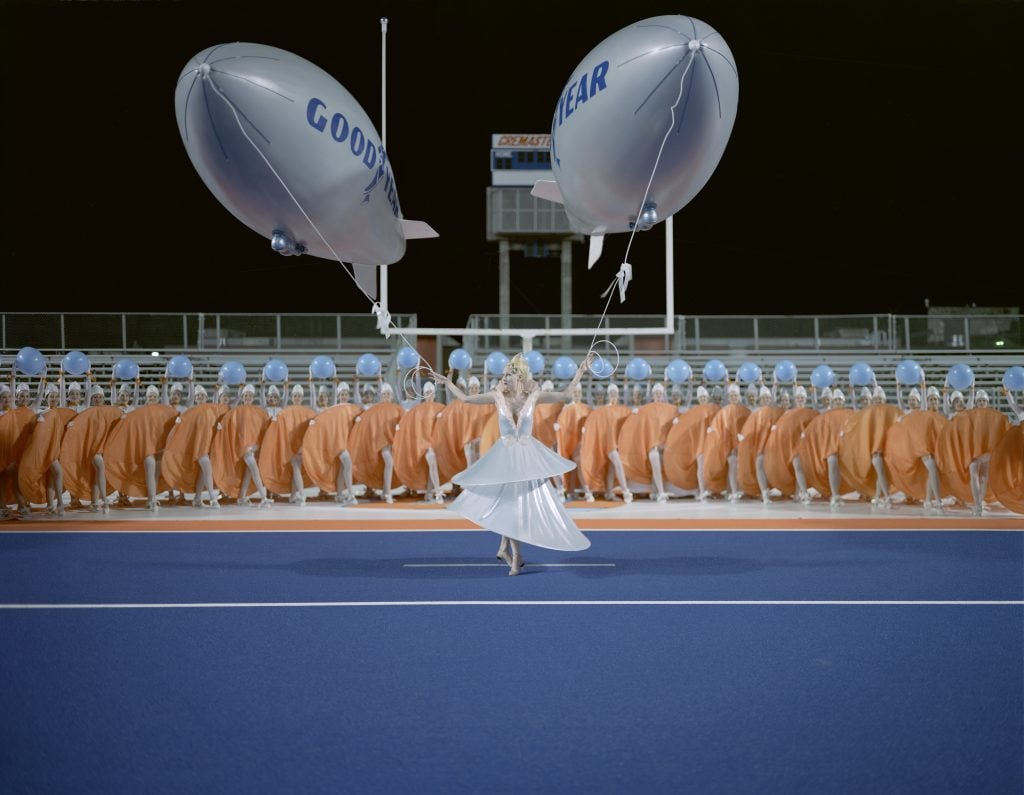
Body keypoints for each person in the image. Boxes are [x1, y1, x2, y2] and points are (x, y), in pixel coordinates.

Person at [434, 353, 592, 575]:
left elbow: (565, 394)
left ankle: (506, 549)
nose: (504, 378)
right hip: (505, 458)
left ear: (519, 377)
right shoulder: (497, 396)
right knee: (510, 505)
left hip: (527, 459)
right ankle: (515, 555)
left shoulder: (534, 395)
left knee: (514, 506)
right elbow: (466, 399)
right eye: (504, 374)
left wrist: (581, 371)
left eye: (508, 374)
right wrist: (449, 383)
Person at [934, 391, 1010, 515]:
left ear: (987, 402)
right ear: (976, 402)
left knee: (983, 476)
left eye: (983, 401)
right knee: (974, 473)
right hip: (974, 451)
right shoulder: (972, 415)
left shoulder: (993, 416)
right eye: (979, 401)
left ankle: (979, 502)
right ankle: (978, 503)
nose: (981, 403)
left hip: (986, 451)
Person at [838, 386, 902, 508]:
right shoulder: (868, 415)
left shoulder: (889, 413)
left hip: (885, 450)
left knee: (880, 473)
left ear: (884, 400)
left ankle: (878, 497)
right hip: (874, 450)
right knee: (880, 471)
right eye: (876, 399)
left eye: (880, 399)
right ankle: (886, 497)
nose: (878, 401)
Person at [301, 381, 363, 504]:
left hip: (346, 443)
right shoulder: (333, 410)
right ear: (338, 396)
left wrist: (359, 419)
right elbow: (324, 422)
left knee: (341, 468)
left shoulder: (351, 408)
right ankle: (350, 494)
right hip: (336, 443)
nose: (344, 396)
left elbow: (356, 420)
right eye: (342, 394)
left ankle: (339, 494)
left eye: (346, 394)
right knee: (348, 463)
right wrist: (314, 423)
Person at [211, 383, 273, 506]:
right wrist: (221, 427)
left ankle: (242, 497)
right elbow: (231, 426)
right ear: (242, 397)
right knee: (254, 469)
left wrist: (256, 446)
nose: (247, 398)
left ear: (253, 397)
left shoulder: (257, 411)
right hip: (242, 448)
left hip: (252, 447)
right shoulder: (236, 411)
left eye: (250, 395)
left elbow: (260, 429)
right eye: (245, 395)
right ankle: (263, 497)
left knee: (248, 472)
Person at [618, 382, 679, 502]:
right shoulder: (647, 409)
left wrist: (677, 419)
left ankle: (656, 491)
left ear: (663, 395)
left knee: (658, 458)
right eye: (656, 394)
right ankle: (661, 492)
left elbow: (676, 423)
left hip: (665, 446)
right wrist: (636, 414)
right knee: (654, 457)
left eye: (660, 394)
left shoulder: (670, 410)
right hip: (651, 447)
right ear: (652, 395)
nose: (658, 396)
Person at [795, 390, 856, 508]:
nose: (838, 402)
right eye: (836, 400)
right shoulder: (826, 415)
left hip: (845, 448)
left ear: (843, 402)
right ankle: (835, 495)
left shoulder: (849, 414)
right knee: (832, 462)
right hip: (829, 446)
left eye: (840, 400)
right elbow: (817, 427)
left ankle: (868, 493)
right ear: (832, 403)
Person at [257, 383, 316, 504]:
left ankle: (300, 494)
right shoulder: (287, 412)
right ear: (291, 397)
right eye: (294, 396)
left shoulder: (307, 412)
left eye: (299, 396)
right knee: (293, 468)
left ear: (302, 397)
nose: (296, 398)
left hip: (301, 448)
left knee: (295, 467)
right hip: (289, 448)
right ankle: (293, 495)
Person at [349, 382, 404, 503]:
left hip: (391, 442)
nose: (386, 396)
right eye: (384, 394)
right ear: (381, 396)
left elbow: (403, 421)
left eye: (388, 394)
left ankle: (385, 492)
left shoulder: (396, 408)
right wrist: (360, 419)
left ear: (392, 395)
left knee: (390, 464)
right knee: (389, 462)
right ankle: (387, 493)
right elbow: (369, 418)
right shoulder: (376, 409)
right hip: (380, 443)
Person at [579, 383, 634, 502]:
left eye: (615, 394)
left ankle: (609, 492)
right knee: (617, 463)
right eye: (611, 394)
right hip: (606, 443)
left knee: (612, 468)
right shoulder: (602, 410)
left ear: (618, 395)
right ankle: (625, 491)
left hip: (615, 442)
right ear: (608, 395)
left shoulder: (622, 410)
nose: (613, 396)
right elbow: (594, 422)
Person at [763, 385, 818, 502]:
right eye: (798, 398)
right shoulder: (789, 412)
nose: (800, 400)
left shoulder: (810, 412)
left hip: (804, 446)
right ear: (795, 399)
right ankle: (800, 492)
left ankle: (801, 492)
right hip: (791, 445)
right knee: (797, 468)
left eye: (802, 398)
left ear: (805, 399)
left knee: (799, 468)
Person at [392, 381, 445, 503]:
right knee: (431, 460)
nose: (429, 395)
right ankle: (437, 493)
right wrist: (400, 427)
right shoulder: (419, 409)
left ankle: (430, 491)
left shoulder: (440, 407)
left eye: (431, 392)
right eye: (427, 393)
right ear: (424, 394)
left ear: (434, 394)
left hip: (435, 442)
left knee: (431, 464)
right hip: (423, 443)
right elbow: (410, 423)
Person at [663, 385, 719, 498]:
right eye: (701, 398)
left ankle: (711, 490)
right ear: (698, 399)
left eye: (704, 397)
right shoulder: (695, 411)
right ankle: (703, 490)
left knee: (710, 467)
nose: (703, 399)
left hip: (710, 443)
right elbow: (687, 423)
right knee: (701, 465)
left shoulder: (713, 409)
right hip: (698, 444)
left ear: (707, 398)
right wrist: (679, 421)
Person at [699, 383, 750, 501]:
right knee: (732, 461)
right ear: (728, 397)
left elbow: (749, 428)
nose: (733, 397)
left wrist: (741, 443)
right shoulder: (724, 411)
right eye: (731, 395)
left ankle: (733, 490)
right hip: (726, 446)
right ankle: (733, 491)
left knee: (736, 462)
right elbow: (718, 426)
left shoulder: (745, 411)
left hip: (742, 446)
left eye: (735, 395)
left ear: (738, 396)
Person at [736, 386, 784, 503]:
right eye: (764, 398)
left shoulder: (774, 412)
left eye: (768, 398)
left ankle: (776, 489)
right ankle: (764, 493)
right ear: (760, 399)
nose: (766, 400)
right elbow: (749, 428)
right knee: (759, 464)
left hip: (772, 446)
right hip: (758, 445)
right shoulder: (756, 412)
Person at [554, 382, 592, 499]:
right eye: (575, 392)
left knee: (576, 462)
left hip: (583, 443)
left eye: (579, 392)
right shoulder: (567, 409)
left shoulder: (587, 408)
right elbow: (562, 424)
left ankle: (583, 490)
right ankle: (575, 491)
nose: (577, 394)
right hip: (570, 442)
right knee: (573, 464)